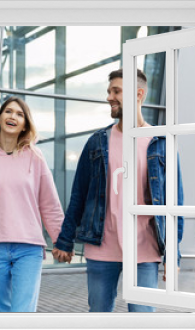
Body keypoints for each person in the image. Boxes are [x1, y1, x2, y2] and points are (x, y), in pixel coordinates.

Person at [52, 69, 184, 312]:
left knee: (142, 320)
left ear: (138, 94)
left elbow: (176, 203)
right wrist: (65, 240)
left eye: (116, 91)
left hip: (146, 250)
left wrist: (173, 255)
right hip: (102, 247)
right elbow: (79, 195)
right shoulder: (97, 141)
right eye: (109, 91)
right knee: (100, 318)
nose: (109, 97)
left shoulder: (161, 142)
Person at [0, 96, 64, 312]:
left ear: (25, 124)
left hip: (28, 246)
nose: (13, 117)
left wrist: (60, 240)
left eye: (20, 114)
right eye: (8, 112)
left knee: (22, 313)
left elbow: (50, 204)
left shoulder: (36, 158)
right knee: (3, 311)